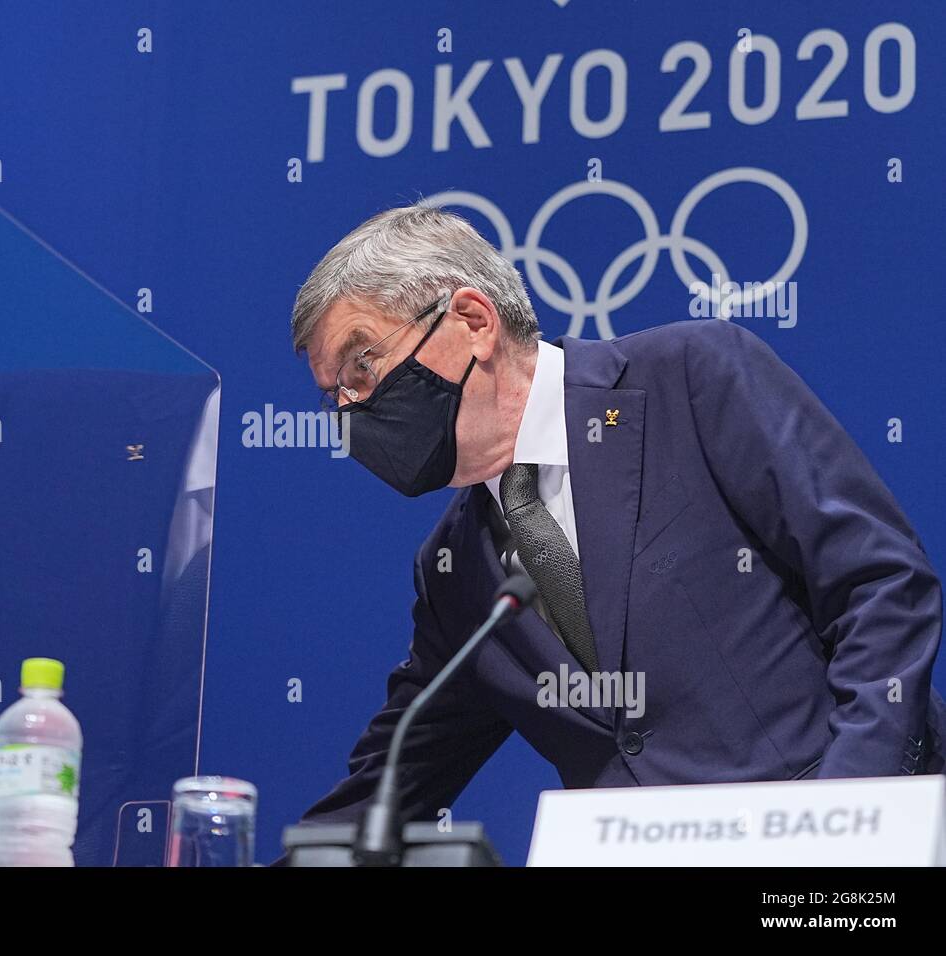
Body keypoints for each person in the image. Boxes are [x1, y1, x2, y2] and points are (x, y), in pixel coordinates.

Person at [289, 204, 945, 830]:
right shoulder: (455, 571)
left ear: (473, 320)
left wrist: (852, 820)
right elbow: (388, 789)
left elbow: (882, 588)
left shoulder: (692, 379)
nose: (350, 413)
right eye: (334, 396)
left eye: (363, 366)